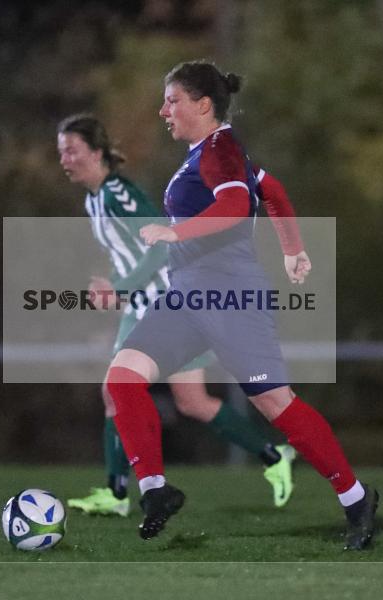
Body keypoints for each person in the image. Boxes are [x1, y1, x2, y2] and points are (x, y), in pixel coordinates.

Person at [104, 61, 379, 550]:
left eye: (172, 100)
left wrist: (176, 230)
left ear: (202, 105)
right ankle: (155, 491)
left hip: (231, 297)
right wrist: (293, 247)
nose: (163, 109)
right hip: (187, 296)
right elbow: (268, 190)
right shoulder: (210, 153)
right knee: (122, 379)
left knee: (275, 404)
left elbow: (234, 207)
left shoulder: (220, 147)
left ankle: (357, 500)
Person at [56, 113, 297, 518]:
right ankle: (275, 455)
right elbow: (133, 252)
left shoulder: (118, 192)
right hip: (147, 302)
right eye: (61, 151)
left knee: (118, 392)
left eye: (72, 150)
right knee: (193, 401)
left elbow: (159, 245)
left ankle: (117, 493)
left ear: (96, 153)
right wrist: (115, 285)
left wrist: (122, 286)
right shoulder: (93, 199)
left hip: (162, 301)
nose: (65, 158)